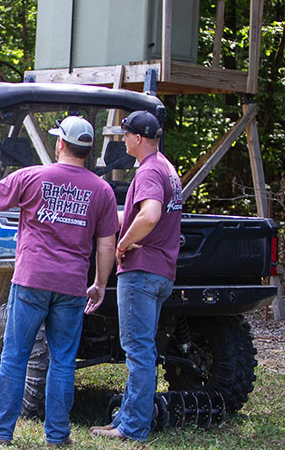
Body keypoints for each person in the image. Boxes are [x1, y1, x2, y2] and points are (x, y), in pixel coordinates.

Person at [0, 116, 119, 447]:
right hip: (72, 287)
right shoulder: (103, 190)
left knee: (15, 355)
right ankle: (57, 435)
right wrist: (99, 283)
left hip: (31, 281)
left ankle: (1, 431)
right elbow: (107, 244)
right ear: (87, 149)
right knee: (62, 360)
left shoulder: (32, 177)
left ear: (60, 144)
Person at [90, 110, 183, 442]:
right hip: (161, 273)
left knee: (138, 352)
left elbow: (150, 214)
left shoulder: (148, 172)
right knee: (145, 351)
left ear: (138, 138)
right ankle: (126, 420)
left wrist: (122, 243)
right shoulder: (167, 168)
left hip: (142, 271)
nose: (123, 139)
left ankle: (132, 428)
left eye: (126, 134)